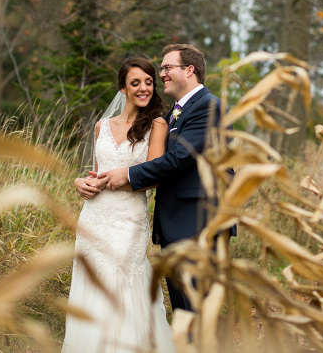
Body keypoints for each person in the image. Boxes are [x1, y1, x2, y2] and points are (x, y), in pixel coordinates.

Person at [80, 43, 233, 312]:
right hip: (177, 223)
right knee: (184, 309)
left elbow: (180, 159)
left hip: (199, 223)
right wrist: (82, 181)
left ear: (189, 70)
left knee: (196, 308)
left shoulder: (208, 107)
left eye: (166, 68)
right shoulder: (176, 112)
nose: (162, 74)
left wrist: (127, 174)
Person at [62, 57, 175, 353]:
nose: (144, 88)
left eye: (149, 82)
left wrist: (115, 180)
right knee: (93, 285)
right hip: (94, 218)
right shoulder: (101, 126)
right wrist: (80, 183)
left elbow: (154, 176)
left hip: (128, 219)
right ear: (122, 88)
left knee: (122, 285)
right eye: (135, 83)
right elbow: (96, 172)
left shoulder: (157, 124)